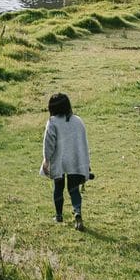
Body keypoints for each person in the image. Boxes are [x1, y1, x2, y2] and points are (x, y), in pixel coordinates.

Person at [41, 92, 92, 230]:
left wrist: (46, 160)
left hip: (59, 161)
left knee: (58, 188)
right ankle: (77, 212)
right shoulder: (78, 121)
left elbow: (49, 143)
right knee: (74, 189)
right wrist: (86, 163)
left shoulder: (53, 122)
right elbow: (83, 143)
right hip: (75, 160)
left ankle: (59, 216)